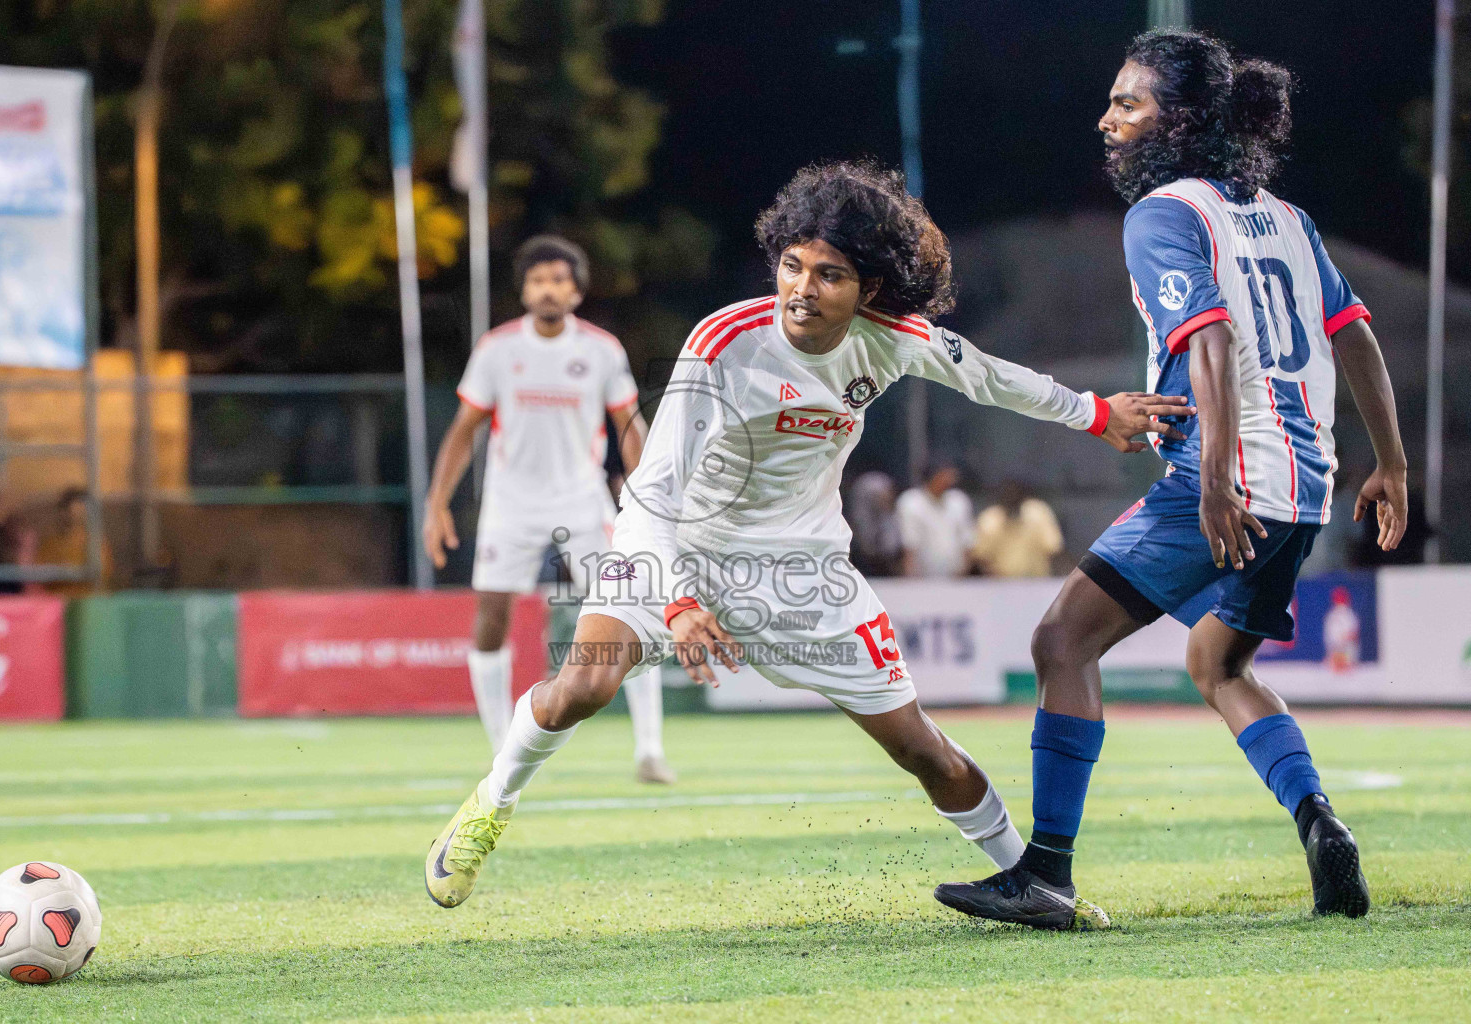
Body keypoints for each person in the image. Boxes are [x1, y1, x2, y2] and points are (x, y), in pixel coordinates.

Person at [422, 159, 1189, 916]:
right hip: (674, 546)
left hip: (807, 572)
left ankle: (1035, 883)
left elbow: (988, 376)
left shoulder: (894, 339)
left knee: (920, 748)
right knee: (582, 688)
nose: (802, 288)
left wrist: (1093, 412)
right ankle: (490, 803)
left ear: (869, 290)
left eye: (829, 275)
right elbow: (649, 496)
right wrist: (681, 601)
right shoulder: (724, 341)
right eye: (792, 266)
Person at [936, 30, 1406, 930]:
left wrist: (1216, 478)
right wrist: (1392, 462)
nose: (1106, 120)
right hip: (1306, 489)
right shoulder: (1286, 216)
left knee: (1061, 643)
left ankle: (1045, 873)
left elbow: (1213, 341)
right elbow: (1354, 333)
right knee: (1217, 662)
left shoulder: (1164, 214)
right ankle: (1320, 820)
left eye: (1128, 104)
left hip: (1230, 477)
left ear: (1179, 121)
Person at [423, 235, 675, 784]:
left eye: (559, 279)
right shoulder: (497, 349)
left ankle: (650, 750)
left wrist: (650, 498)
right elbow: (464, 430)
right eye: (538, 280)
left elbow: (630, 428)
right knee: (491, 612)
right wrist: (436, 503)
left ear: (577, 292)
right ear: (524, 291)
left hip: (583, 500)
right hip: (510, 502)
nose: (548, 289)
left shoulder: (602, 350)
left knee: (627, 612)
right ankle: (500, 749)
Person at [896, 462, 975, 577]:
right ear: (932, 477)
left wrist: (964, 574)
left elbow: (967, 541)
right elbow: (909, 545)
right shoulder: (911, 502)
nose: (949, 481)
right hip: (923, 577)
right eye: (943, 476)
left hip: (956, 577)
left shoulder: (959, 501)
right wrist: (911, 582)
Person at [970, 480, 1063, 578]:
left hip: (1036, 582)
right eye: (1008, 497)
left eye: (1015, 498)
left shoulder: (1038, 513)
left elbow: (1054, 548)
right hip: (999, 584)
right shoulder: (990, 519)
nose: (1012, 500)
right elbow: (979, 556)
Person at [847, 472, 905, 577]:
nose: (885, 497)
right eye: (879, 495)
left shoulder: (890, 518)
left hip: (889, 571)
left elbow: (893, 547)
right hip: (864, 567)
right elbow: (866, 544)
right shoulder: (856, 528)